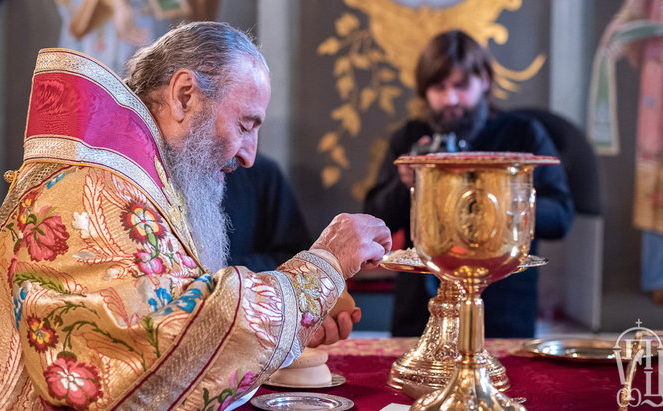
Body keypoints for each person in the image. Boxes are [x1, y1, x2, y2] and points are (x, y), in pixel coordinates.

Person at [0, 22, 391, 410]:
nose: (249, 155)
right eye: (245, 125)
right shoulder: (90, 189)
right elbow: (162, 345)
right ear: (184, 95)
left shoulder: (143, 184)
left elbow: (183, 303)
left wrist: (289, 329)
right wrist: (322, 268)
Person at [364, 30, 574, 338]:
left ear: (485, 80)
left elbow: (560, 217)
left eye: (461, 86)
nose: (450, 99)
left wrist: (501, 199)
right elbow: (374, 215)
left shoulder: (523, 135)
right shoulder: (410, 137)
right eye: (439, 87)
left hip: (503, 314)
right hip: (419, 315)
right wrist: (406, 183)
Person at [222, 153, 362, 347]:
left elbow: (292, 257)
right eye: (243, 126)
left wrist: (304, 309)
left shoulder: (260, 171)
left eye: (255, 128)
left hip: (255, 337)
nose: (248, 154)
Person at [599, 0, 663, 305]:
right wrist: (614, 41)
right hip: (658, 80)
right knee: (654, 186)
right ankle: (657, 278)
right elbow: (630, 17)